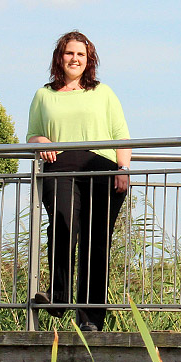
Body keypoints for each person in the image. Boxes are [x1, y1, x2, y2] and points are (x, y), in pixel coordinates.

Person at [27, 31, 130, 332]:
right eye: (69, 53)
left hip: (102, 169)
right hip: (60, 167)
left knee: (96, 241)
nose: (75, 59)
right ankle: (58, 297)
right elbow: (31, 134)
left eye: (81, 55)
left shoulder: (103, 93)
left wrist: (123, 168)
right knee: (63, 225)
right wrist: (42, 141)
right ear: (60, 57)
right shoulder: (44, 95)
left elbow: (121, 135)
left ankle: (90, 319)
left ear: (89, 60)